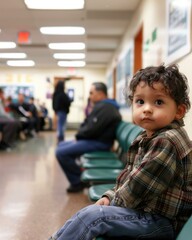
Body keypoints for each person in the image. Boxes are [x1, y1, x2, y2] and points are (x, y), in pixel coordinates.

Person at [48, 64, 192, 240]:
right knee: (89, 213)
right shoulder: (148, 136)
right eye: (140, 101)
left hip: (162, 223)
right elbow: (129, 175)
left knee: (94, 218)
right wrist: (109, 196)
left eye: (158, 102)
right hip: (148, 213)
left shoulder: (167, 141)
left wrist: (110, 204)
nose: (146, 108)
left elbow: (138, 186)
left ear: (179, 111)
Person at [56, 82, 122, 193]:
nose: (89, 96)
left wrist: (78, 136)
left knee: (61, 152)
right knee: (61, 145)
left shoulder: (106, 107)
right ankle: (80, 176)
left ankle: (78, 181)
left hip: (100, 143)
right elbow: (87, 124)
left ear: (101, 94)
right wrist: (79, 136)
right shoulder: (102, 106)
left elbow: (92, 129)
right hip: (93, 139)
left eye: (92, 93)